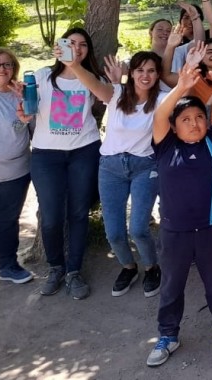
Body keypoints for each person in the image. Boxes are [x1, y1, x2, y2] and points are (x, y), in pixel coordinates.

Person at [147, 62, 212, 367]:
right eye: (186, 119)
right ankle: (167, 335)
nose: (194, 123)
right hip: (174, 231)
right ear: (175, 126)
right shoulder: (165, 146)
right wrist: (182, 88)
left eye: (200, 118)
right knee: (172, 285)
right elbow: (161, 114)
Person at [68, 50, 164, 297]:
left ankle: (152, 266)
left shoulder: (162, 99)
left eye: (151, 71)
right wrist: (74, 65)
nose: (145, 75)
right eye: (140, 70)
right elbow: (93, 84)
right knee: (114, 231)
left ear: (157, 75)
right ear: (130, 73)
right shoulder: (117, 93)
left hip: (145, 166)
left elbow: (183, 92)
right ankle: (128, 266)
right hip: (110, 167)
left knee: (139, 229)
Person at [32, 28, 106, 299]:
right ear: (58, 46)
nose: (77, 48)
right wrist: (22, 108)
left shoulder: (91, 78)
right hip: (46, 156)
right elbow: (28, 109)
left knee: (78, 214)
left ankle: (74, 271)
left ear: (88, 51)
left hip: (83, 152)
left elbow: (108, 96)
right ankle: (55, 268)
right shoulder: (41, 76)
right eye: (71, 43)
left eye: (83, 45)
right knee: (51, 217)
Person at [0, 47, 33, 284]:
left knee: (7, 221)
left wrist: (26, 106)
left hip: (15, 172)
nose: (2, 69)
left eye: (7, 65)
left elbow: (26, 127)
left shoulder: (21, 93)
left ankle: (8, 266)